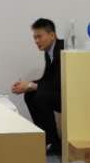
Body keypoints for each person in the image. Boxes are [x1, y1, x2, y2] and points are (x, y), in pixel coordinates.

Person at [10, 18, 62, 154]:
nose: (36, 41)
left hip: (69, 95)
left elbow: (59, 83)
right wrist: (26, 85)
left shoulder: (62, 50)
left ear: (52, 35)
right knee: (30, 94)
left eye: (39, 36)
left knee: (39, 96)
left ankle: (54, 143)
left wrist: (31, 85)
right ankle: (47, 140)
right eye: (35, 37)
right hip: (58, 92)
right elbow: (47, 79)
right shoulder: (48, 52)